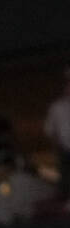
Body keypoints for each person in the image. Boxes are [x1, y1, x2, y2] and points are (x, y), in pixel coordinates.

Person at [45, 68, 70, 205]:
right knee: (66, 176)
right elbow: (50, 130)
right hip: (64, 149)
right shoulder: (57, 107)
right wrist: (57, 148)